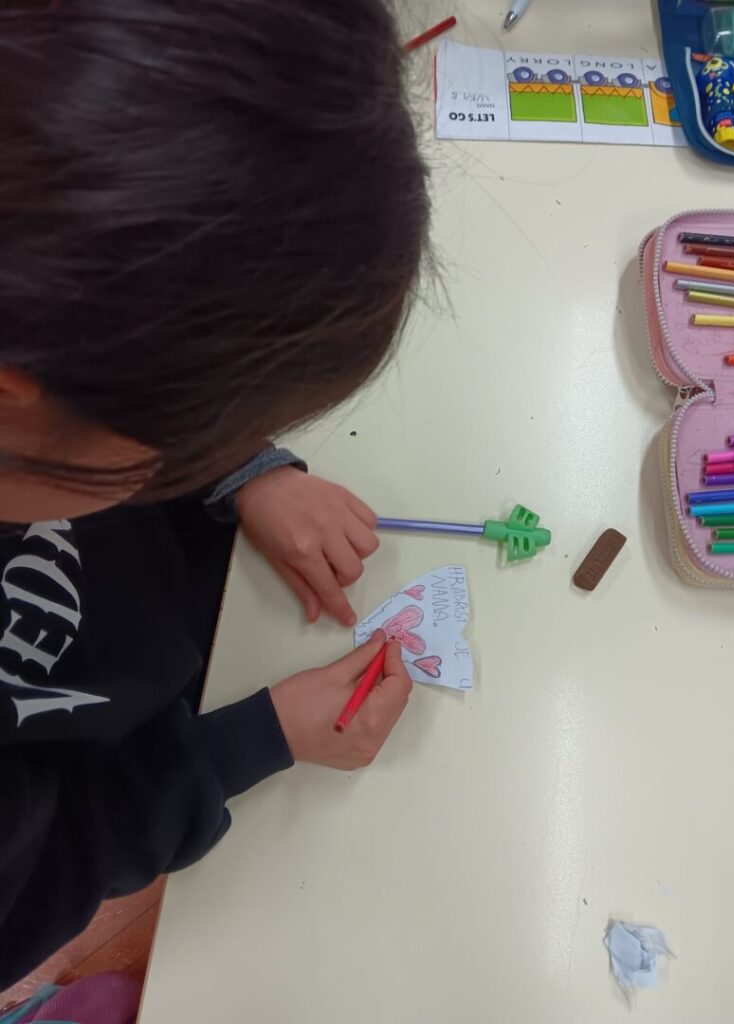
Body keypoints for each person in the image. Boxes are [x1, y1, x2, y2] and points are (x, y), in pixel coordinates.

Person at [0, 0, 428, 988]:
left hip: (171, 637)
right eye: (200, 434)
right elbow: (52, 863)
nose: (217, 448)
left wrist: (243, 475)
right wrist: (249, 743)